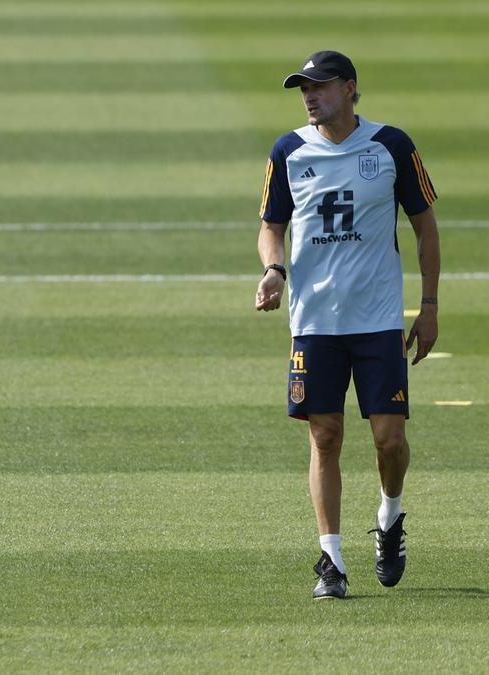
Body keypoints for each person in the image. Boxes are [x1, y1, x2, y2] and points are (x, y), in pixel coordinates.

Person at [255, 51, 440, 600]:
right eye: (303, 89)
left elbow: (425, 227)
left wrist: (429, 305)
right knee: (326, 435)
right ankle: (331, 559)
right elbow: (271, 225)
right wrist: (273, 269)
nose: (310, 96)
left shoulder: (392, 146)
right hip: (313, 320)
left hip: (378, 318)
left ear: (350, 89)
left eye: (320, 86)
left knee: (390, 439)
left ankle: (389, 518)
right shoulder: (288, 151)